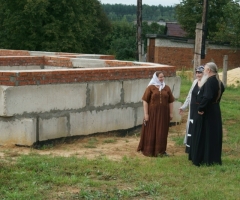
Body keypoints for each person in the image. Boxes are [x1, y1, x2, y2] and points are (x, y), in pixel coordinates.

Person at [188, 62, 225, 166]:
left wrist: (201, 108)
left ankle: (203, 158)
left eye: (204, 69)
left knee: (204, 133)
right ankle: (212, 158)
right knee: (212, 134)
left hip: (207, 111)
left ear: (208, 70)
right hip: (215, 109)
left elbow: (207, 96)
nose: (203, 71)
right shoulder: (218, 81)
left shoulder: (209, 82)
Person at [137, 71, 175, 157]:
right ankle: (149, 150)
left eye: (163, 77)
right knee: (151, 130)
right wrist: (146, 114)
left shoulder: (167, 88)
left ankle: (160, 151)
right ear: (156, 78)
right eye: (160, 77)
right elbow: (145, 101)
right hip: (152, 114)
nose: (162, 79)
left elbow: (171, 102)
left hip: (164, 114)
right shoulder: (150, 88)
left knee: (162, 131)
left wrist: (171, 113)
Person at [179, 66, 204, 153]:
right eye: (197, 72)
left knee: (198, 126)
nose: (198, 74)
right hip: (193, 108)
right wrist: (184, 106)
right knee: (191, 125)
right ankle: (190, 146)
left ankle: (198, 147)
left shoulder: (206, 83)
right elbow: (190, 95)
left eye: (200, 72)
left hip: (201, 109)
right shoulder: (195, 82)